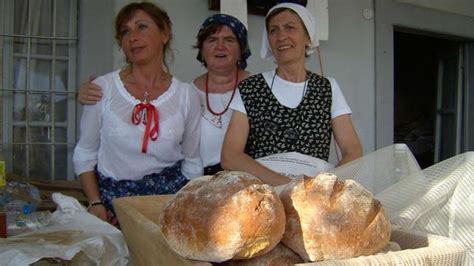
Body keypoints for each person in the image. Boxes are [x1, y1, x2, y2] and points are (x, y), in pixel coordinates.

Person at [73, 2, 202, 224]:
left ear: (164, 33)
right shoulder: (102, 89)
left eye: (142, 27)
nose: (132, 37)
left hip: (168, 202)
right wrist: (96, 204)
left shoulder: (186, 95)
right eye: (125, 31)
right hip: (112, 206)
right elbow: (85, 153)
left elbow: (192, 161)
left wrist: (185, 209)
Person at [78, 13, 251, 175]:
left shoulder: (259, 88)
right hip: (200, 180)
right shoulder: (189, 92)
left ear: (241, 48)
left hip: (248, 179)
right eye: (212, 40)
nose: (220, 47)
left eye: (229, 40)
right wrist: (87, 93)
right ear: (201, 50)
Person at [221, 2, 363, 186]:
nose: (281, 36)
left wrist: (323, 187)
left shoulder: (327, 88)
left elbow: (353, 150)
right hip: (264, 192)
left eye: (290, 27)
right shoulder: (250, 88)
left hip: (312, 195)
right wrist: (288, 185)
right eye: (273, 30)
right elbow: (230, 156)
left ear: (308, 37)